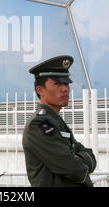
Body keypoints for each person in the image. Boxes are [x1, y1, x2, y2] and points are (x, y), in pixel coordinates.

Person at [22, 55, 96, 187]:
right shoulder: (39, 125)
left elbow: (90, 156)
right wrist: (78, 158)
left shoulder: (56, 121)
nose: (65, 89)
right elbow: (71, 167)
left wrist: (80, 158)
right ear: (40, 90)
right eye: (57, 83)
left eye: (66, 83)